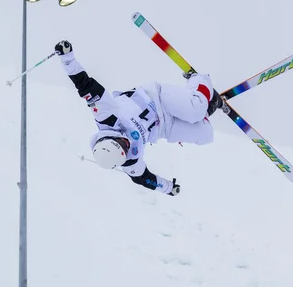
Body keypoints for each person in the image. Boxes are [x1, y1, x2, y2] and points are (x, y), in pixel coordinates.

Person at [54, 40, 223, 195]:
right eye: (125, 150)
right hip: (164, 128)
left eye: (121, 142)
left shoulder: (106, 117)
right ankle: (209, 105)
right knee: (206, 135)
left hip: (157, 99)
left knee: (196, 110)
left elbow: (84, 85)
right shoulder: (129, 162)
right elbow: (143, 179)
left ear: (110, 137)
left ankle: (199, 81)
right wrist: (169, 188)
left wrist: (67, 59)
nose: (127, 144)